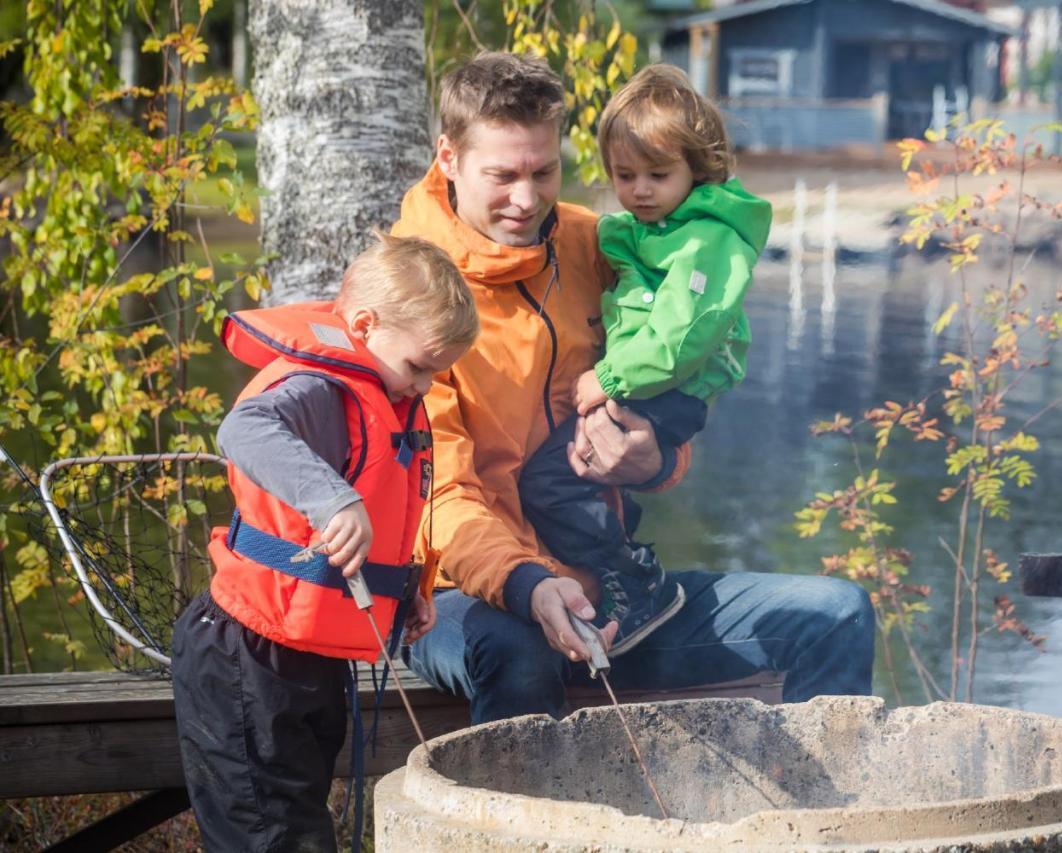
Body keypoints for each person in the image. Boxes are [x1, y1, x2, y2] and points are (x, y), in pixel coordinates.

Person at [394, 51, 875, 726]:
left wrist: (654, 458)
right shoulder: (409, 294)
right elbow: (436, 497)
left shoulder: (598, 245)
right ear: (448, 158)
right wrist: (529, 583)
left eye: (544, 171)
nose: (527, 199)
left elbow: (673, 385)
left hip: (616, 596)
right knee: (521, 650)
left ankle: (814, 827)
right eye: (502, 176)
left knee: (835, 614)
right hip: (461, 593)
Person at [171, 233, 478, 852]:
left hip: (307, 659)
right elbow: (245, 430)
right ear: (364, 326)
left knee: (302, 826)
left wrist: (407, 590)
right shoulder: (320, 386)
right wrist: (335, 498)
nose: (423, 387)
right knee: (269, 836)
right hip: (246, 652)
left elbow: (385, 518)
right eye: (419, 366)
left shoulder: (390, 398)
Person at [518, 64, 772, 654]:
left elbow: (684, 336)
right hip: (647, 382)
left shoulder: (706, 240)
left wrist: (608, 375)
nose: (640, 191)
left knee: (552, 478)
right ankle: (617, 576)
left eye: (659, 175)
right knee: (572, 473)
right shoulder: (655, 229)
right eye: (624, 175)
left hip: (664, 386)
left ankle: (634, 579)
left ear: (698, 168)